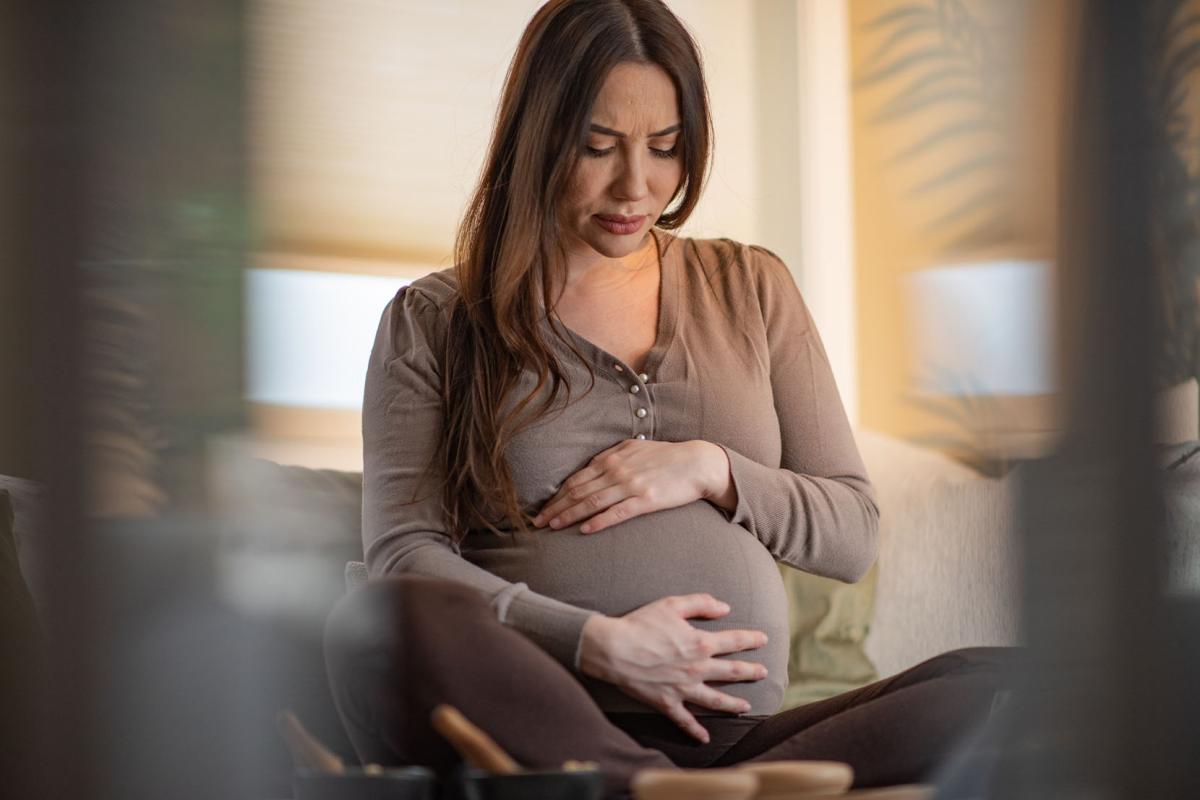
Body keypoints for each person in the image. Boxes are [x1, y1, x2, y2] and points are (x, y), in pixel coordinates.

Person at [324, 1, 1012, 796]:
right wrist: (598, 644)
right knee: (382, 616)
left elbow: (851, 534)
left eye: (665, 148)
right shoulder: (435, 319)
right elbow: (405, 554)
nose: (636, 184)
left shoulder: (751, 287)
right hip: (535, 717)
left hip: (737, 740)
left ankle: (650, 789)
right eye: (598, 147)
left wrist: (712, 469)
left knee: (1013, 682)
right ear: (538, 135)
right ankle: (644, 782)